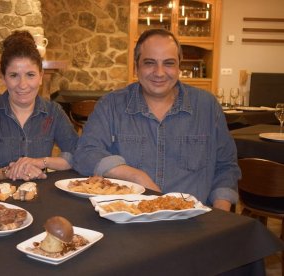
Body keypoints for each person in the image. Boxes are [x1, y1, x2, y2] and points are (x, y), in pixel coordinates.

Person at [73, 29, 241, 211]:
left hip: (195, 223)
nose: (159, 73)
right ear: (136, 67)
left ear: (179, 67)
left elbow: (226, 166)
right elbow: (85, 153)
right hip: (129, 220)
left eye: (168, 63)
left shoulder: (207, 106)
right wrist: (135, 176)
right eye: (149, 63)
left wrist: (219, 217)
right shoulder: (111, 105)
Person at [0, 30, 78, 183]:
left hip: (39, 197)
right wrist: (11, 172)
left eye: (30, 75)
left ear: (40, 76)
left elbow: (80, 155)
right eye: (14, 75)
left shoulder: (54, 113)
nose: (23, 85)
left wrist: (40, 162)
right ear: (3, 78)